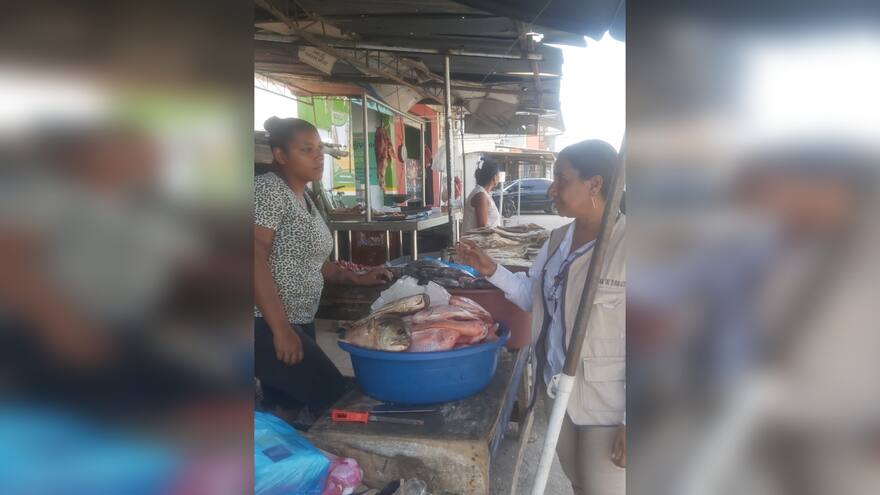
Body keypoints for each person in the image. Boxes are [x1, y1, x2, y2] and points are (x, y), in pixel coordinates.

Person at [456, 140, 625, 495]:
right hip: (556, 388)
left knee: (603, 487)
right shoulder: (558, 240)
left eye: (561, 179)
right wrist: (491, 269)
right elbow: (532, 296)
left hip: (609, 402)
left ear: (594, 184)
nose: (552, 189)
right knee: (579, 483)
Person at [254, 116, 391, 422]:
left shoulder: (305, 197)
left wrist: (355, 277)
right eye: (307, 150)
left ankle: (282, 467)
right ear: (280, 155)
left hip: (298, 320)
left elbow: (315, 261)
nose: (319, 157)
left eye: (319, 149)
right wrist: (280, 329)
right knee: (334, 398)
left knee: (285, 410)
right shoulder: (269, 190)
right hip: (264, 322)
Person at [461, 160, 502, 232]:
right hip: (476, 242)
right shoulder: (481, 196)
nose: (499, 178)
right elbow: (483, 229)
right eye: (499, 175)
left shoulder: (484, 193)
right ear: (494, 177)